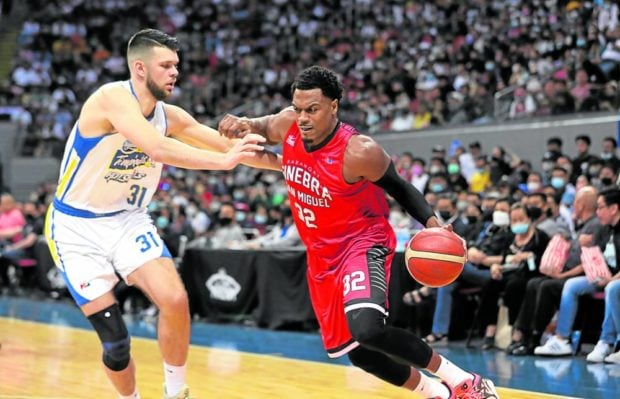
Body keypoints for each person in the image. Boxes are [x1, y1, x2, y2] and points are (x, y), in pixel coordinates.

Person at [219, 66, 499, 399]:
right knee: (358, 352)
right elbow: (264, 127)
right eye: (298, 108)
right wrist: (246, 124)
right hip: (321, 256)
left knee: (367, 328)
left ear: (333, 106)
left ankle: (465, 381)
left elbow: (400, 187)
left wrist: (434, 225)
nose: (303, 117)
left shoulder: (359, 151)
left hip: (361, 243)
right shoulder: (289, 124)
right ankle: (437, 394)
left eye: (313, 109)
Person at [43, 29, 279, 399]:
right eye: (166, 65)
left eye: (177, 66)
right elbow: (155, 147)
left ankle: (174, 392)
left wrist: (297, 168)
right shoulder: (110, 99)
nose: (174, 73)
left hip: (126, 219)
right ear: (139, 68)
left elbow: (235, 147)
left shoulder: (172, 116)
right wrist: (224, 161)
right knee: (117, 346)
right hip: (75, 227)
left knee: (175, 300)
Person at [586, 188, 620, 363]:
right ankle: (562, 339)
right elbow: (593, 255)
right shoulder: (603, 229)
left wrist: (610, 279)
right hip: (607, 277)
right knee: (572, 285)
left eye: (600, 207)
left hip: (615, 280)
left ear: (613, 208)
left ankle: (607, 340)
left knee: (612, 288)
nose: (597, 212)